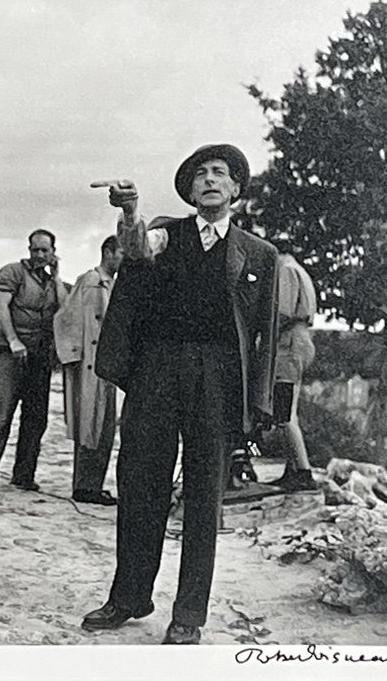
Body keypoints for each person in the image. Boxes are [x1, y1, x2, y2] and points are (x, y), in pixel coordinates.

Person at [83, 144, 279, 644]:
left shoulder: (260, 254)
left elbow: (265, 338)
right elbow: (136, 248)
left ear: (236, 189)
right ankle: (130, 596)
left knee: (203, 495)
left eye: (221, 173)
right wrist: (130, 211)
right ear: (189, 191)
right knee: (140, 481)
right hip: (156, 368)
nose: (210, 179)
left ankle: (189, 612)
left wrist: (258, 405)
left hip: (217, 379)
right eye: (200, 175)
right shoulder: (167, 233)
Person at [0, 230, 68, 492]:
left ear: (52, 252)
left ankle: (24, 475)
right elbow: (0, 308)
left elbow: (64, 308)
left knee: (36, 419)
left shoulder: (50, 281)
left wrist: (56, 276)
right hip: (11, 354)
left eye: (45, 251)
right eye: (35, 250)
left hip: (40, 356)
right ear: (29, 249)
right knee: (1, 415)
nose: (39, 255)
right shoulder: (13, 272)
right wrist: (13, 341)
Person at [53, 235, 124, 505]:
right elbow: (67, 316)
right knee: (90, 424)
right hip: (90, 363)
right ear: (108, 252)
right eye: (121, 253)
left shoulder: (109, 283)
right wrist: (74, 355)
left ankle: (92, 484)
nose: (123, 259)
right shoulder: (91, 281)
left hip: (103, 364)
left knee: (103, 424)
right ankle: (85, 487)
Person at [268, 240, 318, 492]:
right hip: (298, 341)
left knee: (285, 414)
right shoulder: (298, 268)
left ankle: (303, 471)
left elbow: (283, 312)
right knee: (288, 411)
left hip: (288, 343)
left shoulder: (285, 269)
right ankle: (293, 469)